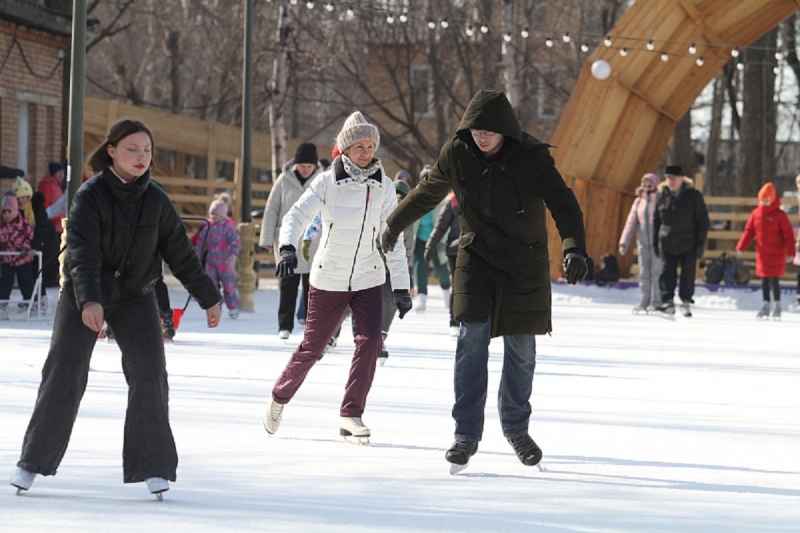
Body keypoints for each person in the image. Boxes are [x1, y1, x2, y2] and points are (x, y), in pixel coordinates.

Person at [10, 118, 222, 499]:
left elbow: (180, 252)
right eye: (132, 149)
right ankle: (32, 461)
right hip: (85, 293)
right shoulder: (90, 196)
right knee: (64, 370)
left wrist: (208, 296)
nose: (141, 157)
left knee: (150, 372)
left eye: (147, 150)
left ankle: (154, 467)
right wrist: (90, 299)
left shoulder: (156, 199)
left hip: (136, 296)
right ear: (111, 150)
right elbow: (82, 253)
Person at [381, 89, 588, 472]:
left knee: (522, 349)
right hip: (476, 257)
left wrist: (574, 248)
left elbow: (563, 203)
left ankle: (516, 427)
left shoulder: (533, 157)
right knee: (470, 339)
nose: (481, 135)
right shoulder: (457, 153)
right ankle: (465, 433)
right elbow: (428, 193)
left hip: (525, 262)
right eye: (475, 128)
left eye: (489, 129)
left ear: (505, 129)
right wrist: (394, 225)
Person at [263, 111, 412, 443]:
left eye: (371, 145)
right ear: (345, 149)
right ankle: (279, 397)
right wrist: (287, 247)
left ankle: (351, 414)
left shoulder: (385, 186)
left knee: (371, 341)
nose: (366, 152)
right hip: (329, 277)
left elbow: (394, 239)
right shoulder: (327, 181)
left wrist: (401, 286)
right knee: (312, 348)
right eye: (359, 146)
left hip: (368, 277)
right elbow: (295, 215)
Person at [259, 143, 322, 339]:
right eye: (302, 165)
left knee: (314, 288)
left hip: (313, 241)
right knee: (288, 285)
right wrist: (266, 237)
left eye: (309, 166)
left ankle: (312, 327)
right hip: (288, 240)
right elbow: (271, 209)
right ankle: (284, 325)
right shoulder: (283, 180)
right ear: (296, 164)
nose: (305, 169)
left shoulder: (323, 180)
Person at [653, 165, 709, 317]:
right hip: (667, 242)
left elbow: (703, 221)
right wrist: (655, 242)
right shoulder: (662, 197)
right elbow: (656, 221)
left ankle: (685, 301)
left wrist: (700, 243)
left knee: (688, 274)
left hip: (688, 243)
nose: (671, 181)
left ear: (682, 180)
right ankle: (667, 301)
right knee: (666, 273)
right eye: (669, 178)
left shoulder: (693, 196)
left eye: (674, 178)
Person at [735, 182, 794, 319]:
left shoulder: (780, 215)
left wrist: (791, 252)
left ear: (772, 199)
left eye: (767, 200)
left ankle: (777, 305)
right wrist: (741, 246)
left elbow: (788, 234)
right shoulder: (756, 214)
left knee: (774, 279)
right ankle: (766, 304)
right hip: (762, 253)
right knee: (764, 279)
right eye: (762, 200)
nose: (764, 203)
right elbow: (749, 231)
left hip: (777, 253)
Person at [618, 173, 662, 313]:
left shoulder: (661, 200)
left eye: (650, 184)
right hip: (643, 242)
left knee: (657, 273)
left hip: (658, 243)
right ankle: (644, 301)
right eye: (644, 184)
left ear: (655, 185)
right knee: (644, 273)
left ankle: (658, 302)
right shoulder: (638, 201)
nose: (646, 187)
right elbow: (631, 222)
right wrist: (624, 242)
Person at [410, 165, 451, 313]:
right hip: (419, 238)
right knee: (420, 266)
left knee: (441, 267)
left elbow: (447, 222)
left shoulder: (442, 199)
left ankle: (447, 293)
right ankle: (421, 297)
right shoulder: (415, 197)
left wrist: (443, 241)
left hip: (437, 238)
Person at [195, 198, 241, 319]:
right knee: (211, 285)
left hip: (225, 262)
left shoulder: (228, 227)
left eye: (217, 215)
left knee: (229, 285)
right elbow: (201, 242)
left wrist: (233, 255)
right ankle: (216, 305)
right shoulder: (207, 226)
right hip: (211, 261)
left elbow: (235, 242)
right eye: (212, 214)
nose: (214, 217)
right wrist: (197, 254)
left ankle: (233, 307)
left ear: (223, 215)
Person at [425, 190, 461, 336]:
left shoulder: (480, 198)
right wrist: (430, 246)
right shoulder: (452, 202)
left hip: (477, 249)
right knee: (458, 285)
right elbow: (440, 227)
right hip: (456, 249)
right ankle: (454, 321)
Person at [0, 195, 35, 320]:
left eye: (9, 211)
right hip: (7, 259)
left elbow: (29, 236)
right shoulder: (2, 227)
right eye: (4, 212)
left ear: (15, 211)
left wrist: (25, 249)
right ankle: (2, 305)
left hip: (22, 259)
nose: (6, 215)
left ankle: (29, 303)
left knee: (25, 282)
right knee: (5, 283)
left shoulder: (23, 224)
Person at [38, 162, 66, 233]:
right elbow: (45, 204)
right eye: (59, 172)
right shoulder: (47, 185)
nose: (61, 175)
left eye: (63, 172)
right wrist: (54, 218)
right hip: (52, 225)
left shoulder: (59, 186)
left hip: (60, 225)